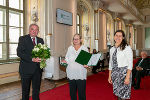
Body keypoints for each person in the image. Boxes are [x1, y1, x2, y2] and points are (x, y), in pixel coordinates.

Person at [17, 24, 44, 100]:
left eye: (36, 30)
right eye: (32, 29)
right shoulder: (23, 39)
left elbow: (42, 53)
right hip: (26, 70)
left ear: (38, 31)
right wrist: (32, 59)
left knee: (36, 90)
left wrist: (43, 57)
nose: (34, 31)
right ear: (29, 30)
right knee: (25, 92)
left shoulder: (41, 40)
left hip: (37, 70)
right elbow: (19, 53)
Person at [62, 34, 89, 100]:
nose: (75, 40)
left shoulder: (84, 48)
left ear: (80, 40)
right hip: (71, 73)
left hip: (80, 74)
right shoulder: (70, 48)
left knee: (81, 94)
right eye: (74, 39)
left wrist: (86, 64)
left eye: (77, 39)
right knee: (72, 93)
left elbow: (87, 61)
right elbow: (67, 59)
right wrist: (64, 61)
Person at [108, 30, 133, 100]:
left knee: (124, 95)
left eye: (120, 36)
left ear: (123, 37)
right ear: (114, 37)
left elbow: (130, 63)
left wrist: (127, 77)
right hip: (115, 73)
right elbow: (110, 63)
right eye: (116, 35)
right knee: (118, 94)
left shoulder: (127, 47)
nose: (118, 37)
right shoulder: (112, 49)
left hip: (124, 73)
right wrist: (109, 76)